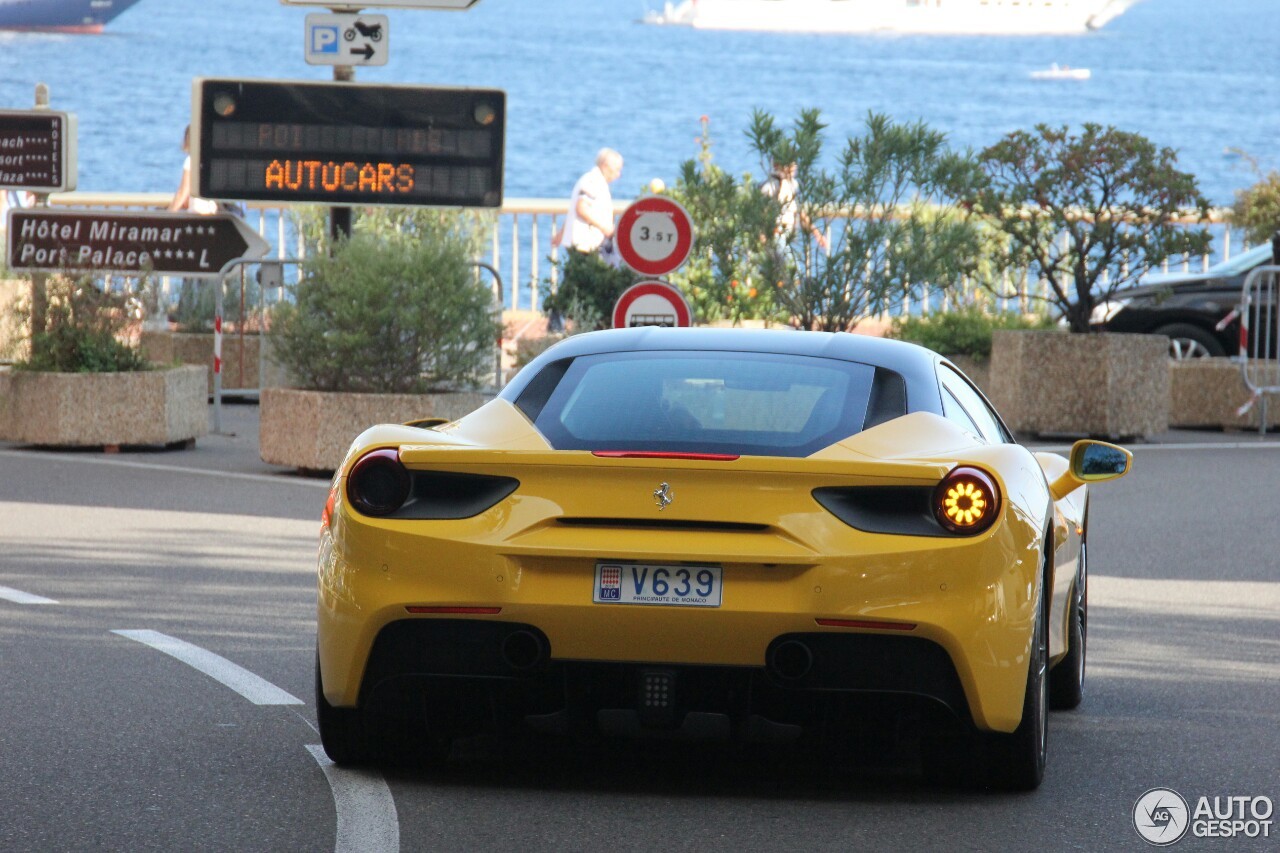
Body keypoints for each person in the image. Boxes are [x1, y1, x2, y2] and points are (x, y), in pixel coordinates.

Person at [552, 148, 624, 254]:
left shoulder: (592, 180)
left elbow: (575, 209)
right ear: (605, 166)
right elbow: (581, 208)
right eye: (617, 169)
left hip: (581, 244)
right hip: (585, 245)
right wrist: (605, 228)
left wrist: (561, 233)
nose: (618, 175)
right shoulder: (593, 181)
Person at [762, 160, 828, 251]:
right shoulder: (771, 186)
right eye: (790, 164)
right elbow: (764, 213)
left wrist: (816, 233)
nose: (794, 167)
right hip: (776, 236)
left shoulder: (792, 184)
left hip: (788, 236)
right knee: (790, 264)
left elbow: (799, 211)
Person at [168, 124, 218, 214]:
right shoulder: (209, 160)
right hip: (212, 212)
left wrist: (168, 215)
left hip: (198, 212)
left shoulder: (191, 161)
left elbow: (183, 192)